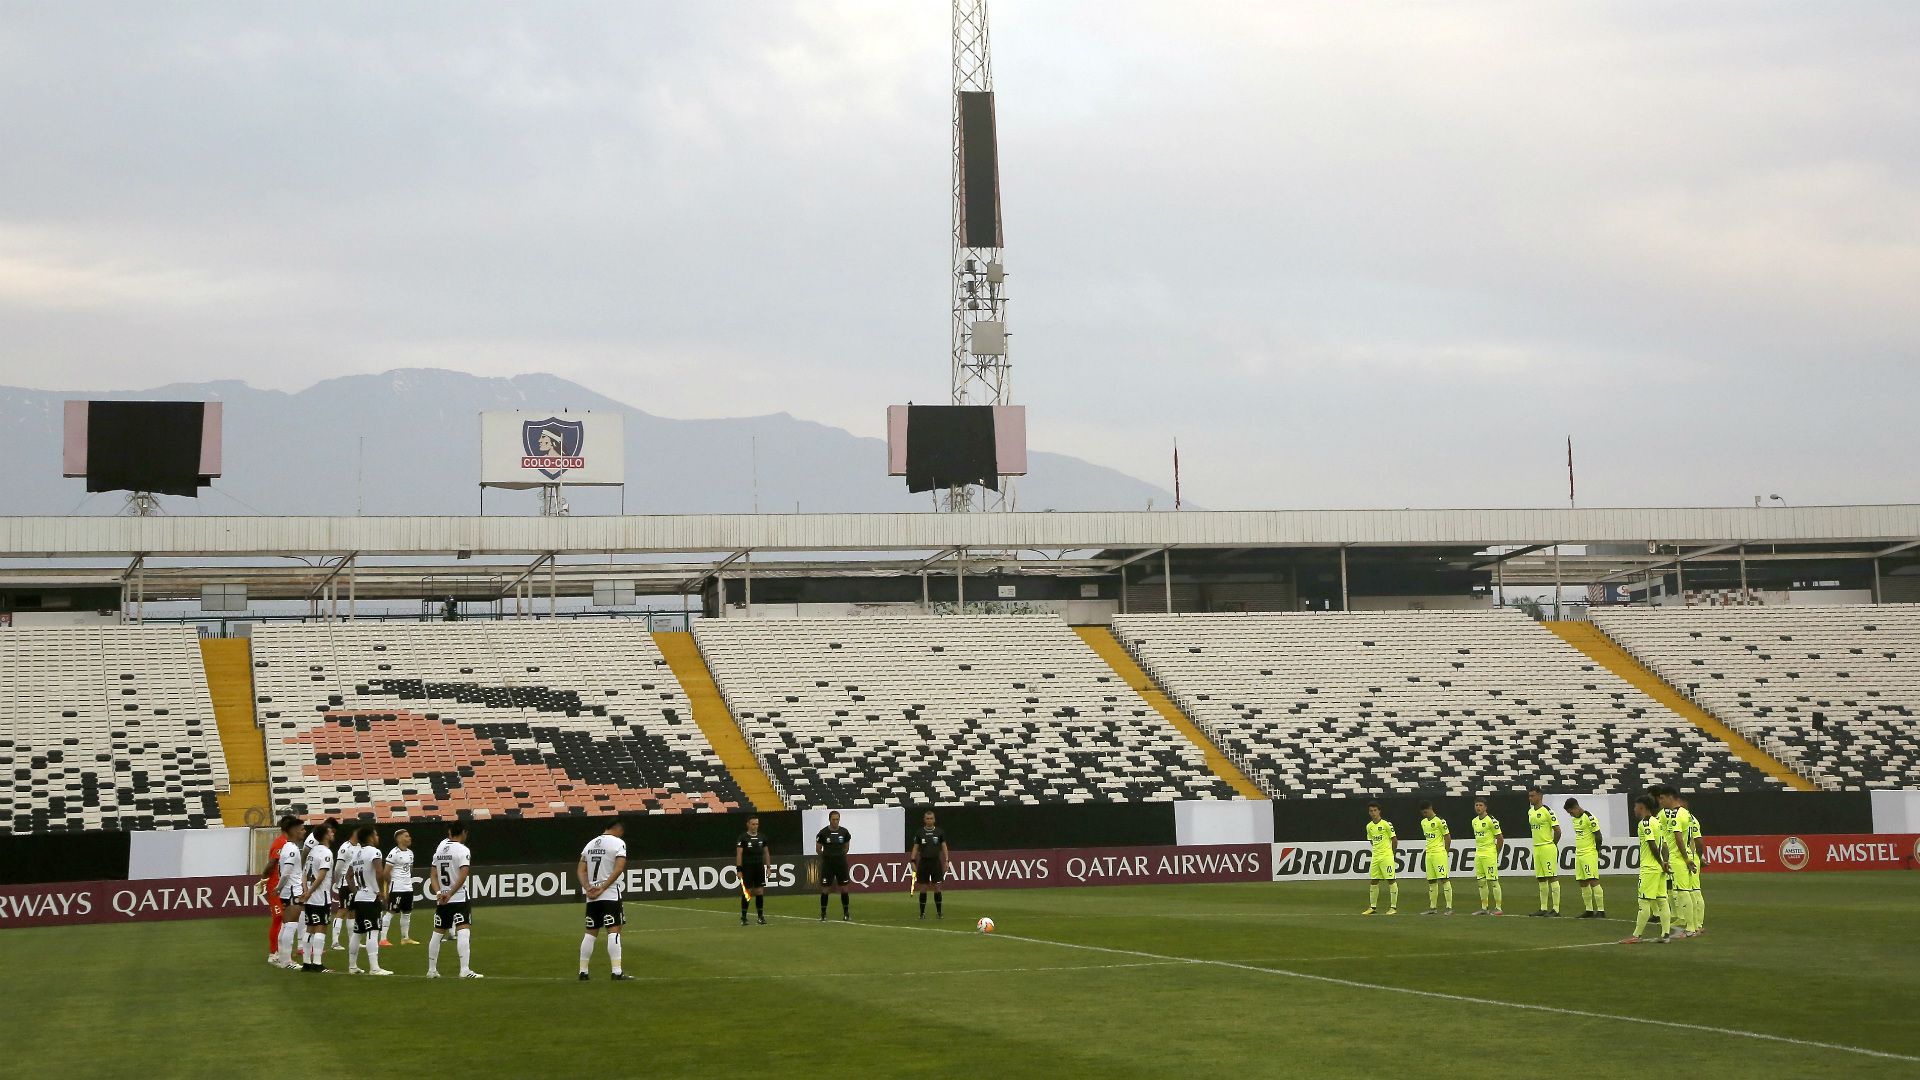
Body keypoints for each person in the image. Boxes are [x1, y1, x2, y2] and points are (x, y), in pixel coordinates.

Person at [578, 819, 633, 980]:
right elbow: (619, 868)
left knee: (590, 933)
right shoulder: (618, 843)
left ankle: (583, 971)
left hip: (592, 896)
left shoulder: (590, 844)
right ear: (618, 829)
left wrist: (588, 887)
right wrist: (603, 887)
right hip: (609, 894)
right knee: (614, 930)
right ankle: (616, 971)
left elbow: (581, 869)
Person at [427, 822, 481, 979]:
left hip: (442, 899)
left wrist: (439, 892)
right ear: (464, 832)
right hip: (457, 897)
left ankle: (431, 970)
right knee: (463, 930)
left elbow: (433, 874)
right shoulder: (463, 850)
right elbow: (463, 875)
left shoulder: (439, 850)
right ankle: (464, 969)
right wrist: (450, 893)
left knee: (437, 933)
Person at [1620, 795, 1674, 945]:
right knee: (1662, 901)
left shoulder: (1645, 824)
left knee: (1644, 902)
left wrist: (1661, 862)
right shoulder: (1657, 822)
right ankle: (1665, 934)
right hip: (1659, 869)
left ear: (1642, 807)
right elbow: (1664, 846)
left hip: (1649, 868)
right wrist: (1665, 862)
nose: (1634, 809)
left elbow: (1652, 845)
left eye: (1635, 806)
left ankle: (1636, 935)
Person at [1654, 786, 1699, 940]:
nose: (1660, 801)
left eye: (1662, 798)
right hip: (1685, 855)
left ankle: (1690, 928)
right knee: (1687, 891)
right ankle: (1693, 926)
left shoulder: (1674, 815)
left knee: (1682, 892)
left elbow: (1678, 837)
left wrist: (1685, 858)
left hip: (1678, 857)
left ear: (1670, 797)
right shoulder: (1686, 813)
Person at [347, 825, 391, 975]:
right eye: (376, 835)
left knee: (358, 932)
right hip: (371, 897)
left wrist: (357, 891)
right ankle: (374, 967)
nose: (377, 838)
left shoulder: (357, 853)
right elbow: (379, 873)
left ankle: (352, 966)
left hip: (360, 897)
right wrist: (381, 892)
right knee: (373, 930)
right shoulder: (374, 852)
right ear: (370, 837)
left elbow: (348, 876)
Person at [258, 815, 299, 966]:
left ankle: (281, 953)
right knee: (278, 919)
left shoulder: (286, 843)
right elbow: (272, 863)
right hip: (276, 886)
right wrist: (264, 879)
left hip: (282, 887)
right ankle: (273, 953)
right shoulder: (280, 843)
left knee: (283, 920)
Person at [299, 826, 335, 972]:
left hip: (311, 897)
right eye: (330, 831)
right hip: (321, 896)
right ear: (325, 835)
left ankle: (307, 963)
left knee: (309, 928)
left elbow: (304, 873)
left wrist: (306, 891)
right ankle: (318, 964)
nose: (332, 833)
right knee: (321, 927)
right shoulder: (327, 853)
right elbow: (321, 875)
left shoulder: (311, 852)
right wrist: (310, 892)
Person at [272, 820, 307, 969]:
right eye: (301, 829)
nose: (304, 831)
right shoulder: (292, 849)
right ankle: (287, 961)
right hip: (293, 891)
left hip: (289, 891)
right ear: (292, 830)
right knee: (291, 926)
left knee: (286, 925)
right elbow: (286, 872)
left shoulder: (287, 847)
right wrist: (279, 887)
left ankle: (282, 958)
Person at [1565, 798, 1605, 919]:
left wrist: (1596, 851)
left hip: (1589, 853)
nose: (1570, 814)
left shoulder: (1589, 817)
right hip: (1579, 854)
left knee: (1593, 880)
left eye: (1571, 812)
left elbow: (1598, 835)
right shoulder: (1575, 819)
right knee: (1582, 882)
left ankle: (1601, 910)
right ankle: (1589, 910)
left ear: (1576, 807)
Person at [1524, 788, 1561, 916]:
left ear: (1540, 796)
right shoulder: (1530, 812)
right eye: (1529, 796)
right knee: (1541, 878)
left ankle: (1556, 909)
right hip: (1537, 847)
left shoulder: (1547, 811)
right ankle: (1543, 908)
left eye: (1532, 796)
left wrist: (1552, 844)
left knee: (1552, 876)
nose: (1530, 798)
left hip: (1547, 847)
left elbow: (1558, 830)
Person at [910, 810, 950, 921]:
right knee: (923, 887)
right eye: (927, 818)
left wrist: (947, 860)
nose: (929, 820)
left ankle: (939, 912)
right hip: (924, 862)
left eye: (931, 818)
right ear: (924, 820)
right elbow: (916, 847)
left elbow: (944, 846)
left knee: (937, 887)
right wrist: (912, 861)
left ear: (934, 820)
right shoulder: (919, 833)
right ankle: (922, 913)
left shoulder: (939, 832)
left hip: (935, 862)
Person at [381, 829, 418, 946]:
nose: (409, 838)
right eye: (406, 836)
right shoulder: (394, 853)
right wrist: (393, 883)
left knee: (407, 913)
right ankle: (383, 939)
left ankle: (405, 938)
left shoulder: (410, 853)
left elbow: (410, 870)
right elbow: (385, 872)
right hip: (397, 888)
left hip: (408, 887)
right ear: (399, 839)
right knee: (391, 912)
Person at [1361, 801, 1397, 915]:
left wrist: (1391, 854)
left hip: (1386, 856)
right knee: (1374, 881)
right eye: (1371, 811)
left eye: (1375, 810)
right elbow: (1372, 841)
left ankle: (1393, 907)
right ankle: (1372, 907)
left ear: (1379, 811)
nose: (1373, 813)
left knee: (1391, 880)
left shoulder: (1387, 824)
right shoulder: (1369, 826)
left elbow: (1394, 840)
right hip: (1376, 857)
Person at [817, 811, 853, 922]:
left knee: (844, 888)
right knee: (825, 889)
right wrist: (827, 857)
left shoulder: (844, 832)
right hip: (828, 865)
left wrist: (839, 856)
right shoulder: (823, 833)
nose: (835, 821)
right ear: (829, 820)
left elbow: (846, 848)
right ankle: (823, 914)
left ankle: (846, 913)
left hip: (841, 864)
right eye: (833, 819)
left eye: (837, 819)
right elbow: (818, 849)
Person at [1418, 802, 1453, 915]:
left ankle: (1449, 908)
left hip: (1439, 853)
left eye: (1426, 812)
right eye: (1423, 813)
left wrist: (1445, 851)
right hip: (1429, 854)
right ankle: (1433, 908)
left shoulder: (1440, 821)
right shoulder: (1423, 822)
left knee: (1444, 879)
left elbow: (1447, 837)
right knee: (1431, 881)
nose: (1425, 814)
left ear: (1430, 809)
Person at [736, 816, 771, 926]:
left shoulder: (762, 837)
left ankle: (760, 917)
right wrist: (739, 869)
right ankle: (744, 917)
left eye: (756, 824)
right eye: (753, 824)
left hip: (759, 867)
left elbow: (766, 852)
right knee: (748, 892)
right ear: (748, 824)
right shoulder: (743, 838)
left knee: (760, 891)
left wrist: (769, 867)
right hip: (747, 868)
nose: (755, 826)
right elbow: (739, 854)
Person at [331, 828, 361, 951]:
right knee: (342, 910)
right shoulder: (345, 847)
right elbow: (338, 868)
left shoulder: (359, 846)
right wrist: (338, 882)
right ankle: (335, 941)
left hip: (355, 883)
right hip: (345, 883)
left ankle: (353, 941)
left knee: (352, 912)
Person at [1681, 795, 1707, 933]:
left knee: (1692, 892)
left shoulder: (1685, 819)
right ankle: (1698, 924)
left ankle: (1695, 925)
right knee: (1694, 891)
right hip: (1693, 856)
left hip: (1689, 856)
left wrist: (1697, 857)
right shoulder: (1693, 819)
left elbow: (1697, 841)